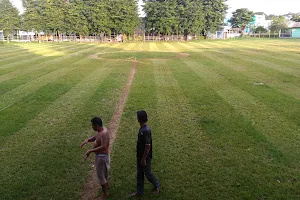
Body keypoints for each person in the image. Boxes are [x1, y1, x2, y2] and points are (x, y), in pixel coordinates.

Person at [130, 110, 160, 197]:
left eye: (137, 117)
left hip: (145, 157)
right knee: (139, 174)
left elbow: (148, 146)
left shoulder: (145, 130)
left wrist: (143, 159)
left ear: (139, 119)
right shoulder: (142, 129)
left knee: (148, 173)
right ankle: (139, 192)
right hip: (140, 156)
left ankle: (157, 185)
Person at [80, 117, 110, 200]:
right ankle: (107, 186)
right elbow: (96, 137)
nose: (92, 127)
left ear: (96, 125)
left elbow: (104, 147)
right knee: (104, 173)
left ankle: (105, 194)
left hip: (102, 158)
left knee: (101, 175)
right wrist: (88, 140)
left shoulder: (104, 133)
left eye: (92, 125)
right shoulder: (99, 131)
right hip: (100, 157)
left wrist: (91, 150)